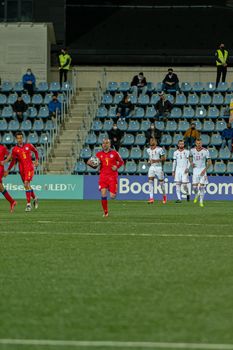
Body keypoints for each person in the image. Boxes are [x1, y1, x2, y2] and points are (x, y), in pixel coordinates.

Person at [87, 138, 124, 217]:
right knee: (103, 194)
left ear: (110, 144)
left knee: (112, 196)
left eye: (107, 143)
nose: (105, 144)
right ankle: (106, 212)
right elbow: (94, 166)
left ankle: (114, 188)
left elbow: (121, 162)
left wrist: (116, 166)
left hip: (112, 176)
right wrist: (90, 163)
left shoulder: (115, 153)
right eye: (103, 143)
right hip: (103, 176)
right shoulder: (98, 154)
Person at [4, 131, 39, 212]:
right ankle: (35, 198)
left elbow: (36, 151)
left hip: (29, 168)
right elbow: (13, 161)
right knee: (27, 185)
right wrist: (8, 170)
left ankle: (28, 205)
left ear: (22, 138)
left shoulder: (28, 145)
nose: (19, 140)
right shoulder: (15, 150)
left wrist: (36, 160)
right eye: (18, 138)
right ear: (16, 139)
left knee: (26, 184)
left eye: (20, 138)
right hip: (22, 169)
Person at [189, 139, 212, 208]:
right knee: (194, 187)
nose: (198, 144)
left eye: (200, 143)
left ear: (201, 144)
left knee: (202, 187)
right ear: (195, 143)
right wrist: (191, 163)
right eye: (197, 143)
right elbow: (190, 157)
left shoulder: (206, 151)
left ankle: (201, 201)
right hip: (195, 170)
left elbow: (209, 162)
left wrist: (204, 170)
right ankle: (197, 195)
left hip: (202, 169)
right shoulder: (192, 150)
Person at [147, 138, 167, 204]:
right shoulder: (148, 150)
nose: (152, 141)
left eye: (153, 140)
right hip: (152, 167)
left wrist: (155, 161)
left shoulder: (160, 149)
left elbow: (164, 158)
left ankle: (164, 196)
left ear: (156, 142)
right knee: (150, 181)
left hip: (158, 167)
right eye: (151, 140)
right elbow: (150, 158)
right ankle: (151, 198)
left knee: (161, 183)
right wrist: (149, 162)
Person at [0, 145, 17, 212]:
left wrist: (5, 161)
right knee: (1, 188)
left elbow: (11, 155)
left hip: (0, 169)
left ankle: (12, 201)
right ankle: (12, 202)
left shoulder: (2, 148)